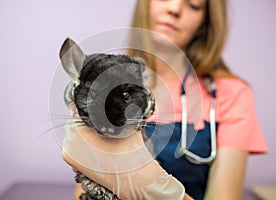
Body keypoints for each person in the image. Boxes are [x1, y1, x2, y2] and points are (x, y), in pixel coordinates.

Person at [61, 0, 268, 199]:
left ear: (205, 24)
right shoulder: (103, 80)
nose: (174, 8)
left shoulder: (232, 94)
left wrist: (157, 190)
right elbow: (84, 191)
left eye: (193, 4)